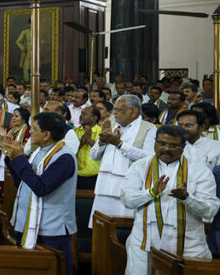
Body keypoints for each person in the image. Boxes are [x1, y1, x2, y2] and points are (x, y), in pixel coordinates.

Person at [122, 124, 219, 275]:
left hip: (189, 248)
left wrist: (187, 198)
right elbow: (127, 200)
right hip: (144, 246)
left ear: (183, 146)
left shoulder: (199, 171)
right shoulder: (140, 167)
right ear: (155, 142)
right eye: (161, 143)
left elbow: (210, 211)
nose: (166, 149)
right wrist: (151, 193)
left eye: (173, 145)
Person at [2, 112, 78, 275]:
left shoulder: (64, 158)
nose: (31, 132)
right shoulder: (41, 151)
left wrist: (20, 159)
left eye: (35, 129)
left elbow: (41, 187)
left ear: (46, 135)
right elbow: (23, 182)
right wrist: (11, 158)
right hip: (31, 223)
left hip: (52, 228)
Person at [89, 94, 157, 227]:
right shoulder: (111, 125)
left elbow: (149, 158)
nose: (114, 113)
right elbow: (94, 155)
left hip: (128, 190)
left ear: (133, 111)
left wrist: (119, 144)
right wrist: (102, 141)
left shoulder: (148, 128)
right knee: (100, 233)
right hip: (104, 189)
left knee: (122, 231)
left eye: (119, 110)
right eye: (114, 109)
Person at [74, 105, 103, 190]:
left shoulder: (101, 131)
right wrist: (81, 142)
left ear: (94, 118)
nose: (81, 116)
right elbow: (71, 150)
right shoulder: (75, 131)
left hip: (95, 175)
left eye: (85, 114)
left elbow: (101, 151)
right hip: (76, 174)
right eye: (81, 113)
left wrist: (89, 140)